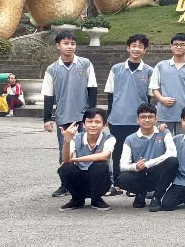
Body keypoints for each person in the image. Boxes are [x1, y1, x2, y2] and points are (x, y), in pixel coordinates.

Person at [42, 30, 97, 198]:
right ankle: (65, 184)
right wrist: (47, 118)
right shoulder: (52, 69)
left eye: (73, 43)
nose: (70, 46)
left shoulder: (85, 64)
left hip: (83, 116)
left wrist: (92, 115)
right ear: (58, 46)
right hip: (64, 116)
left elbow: (92, 88)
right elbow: (48, 94)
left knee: (87, 149)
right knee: (65, 151)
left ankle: (88, 184)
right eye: (66, 43)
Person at [105, 34, 153, 197]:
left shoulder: (149, 71)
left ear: (145, 50)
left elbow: (149, 98)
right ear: (128, 48)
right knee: (117, 151)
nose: (136, 49)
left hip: (138, 120)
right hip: (118, 118)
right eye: (133, 45)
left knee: (137, 152)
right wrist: (109, 115)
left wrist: (146, 118)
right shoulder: (116, 69)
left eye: (140, 46)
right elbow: (110, 93)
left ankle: (134, 185)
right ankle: (117, 184)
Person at [117, 103, 178, 210]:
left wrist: (148, 164)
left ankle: (156, 198)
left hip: (159, 173)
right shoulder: (130, 139)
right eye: (143, 117)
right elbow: (123, 165)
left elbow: (172, 153)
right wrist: (136, 166)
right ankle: (140, 193)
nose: (147, 120)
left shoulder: (164, 132)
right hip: (141, 174)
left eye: (150, 117)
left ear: (156, 119)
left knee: (173, 161)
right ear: (137, 120)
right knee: (122, 178)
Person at [57, 108, 115, 211]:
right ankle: (77, 199)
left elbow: (103, 156)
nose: (93, 125)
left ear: (104, 125)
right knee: (65, 167)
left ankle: (96, 199)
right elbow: (66, 159)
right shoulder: (76, 138)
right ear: (83, 124)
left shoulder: (109, 138)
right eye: (89, 122)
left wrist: (74, 159)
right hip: (81, 179)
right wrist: (66, 141)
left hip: (101, 181)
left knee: (100, 165)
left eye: (97, 122)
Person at [150, 33, 185, 134]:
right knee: (163, 141)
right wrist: (162, 99)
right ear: (171, 46)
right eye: (176, 44)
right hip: (164, 114)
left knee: (184, 141)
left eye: (182, 44)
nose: (179, 47)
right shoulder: (161, 66)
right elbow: (154, 88)